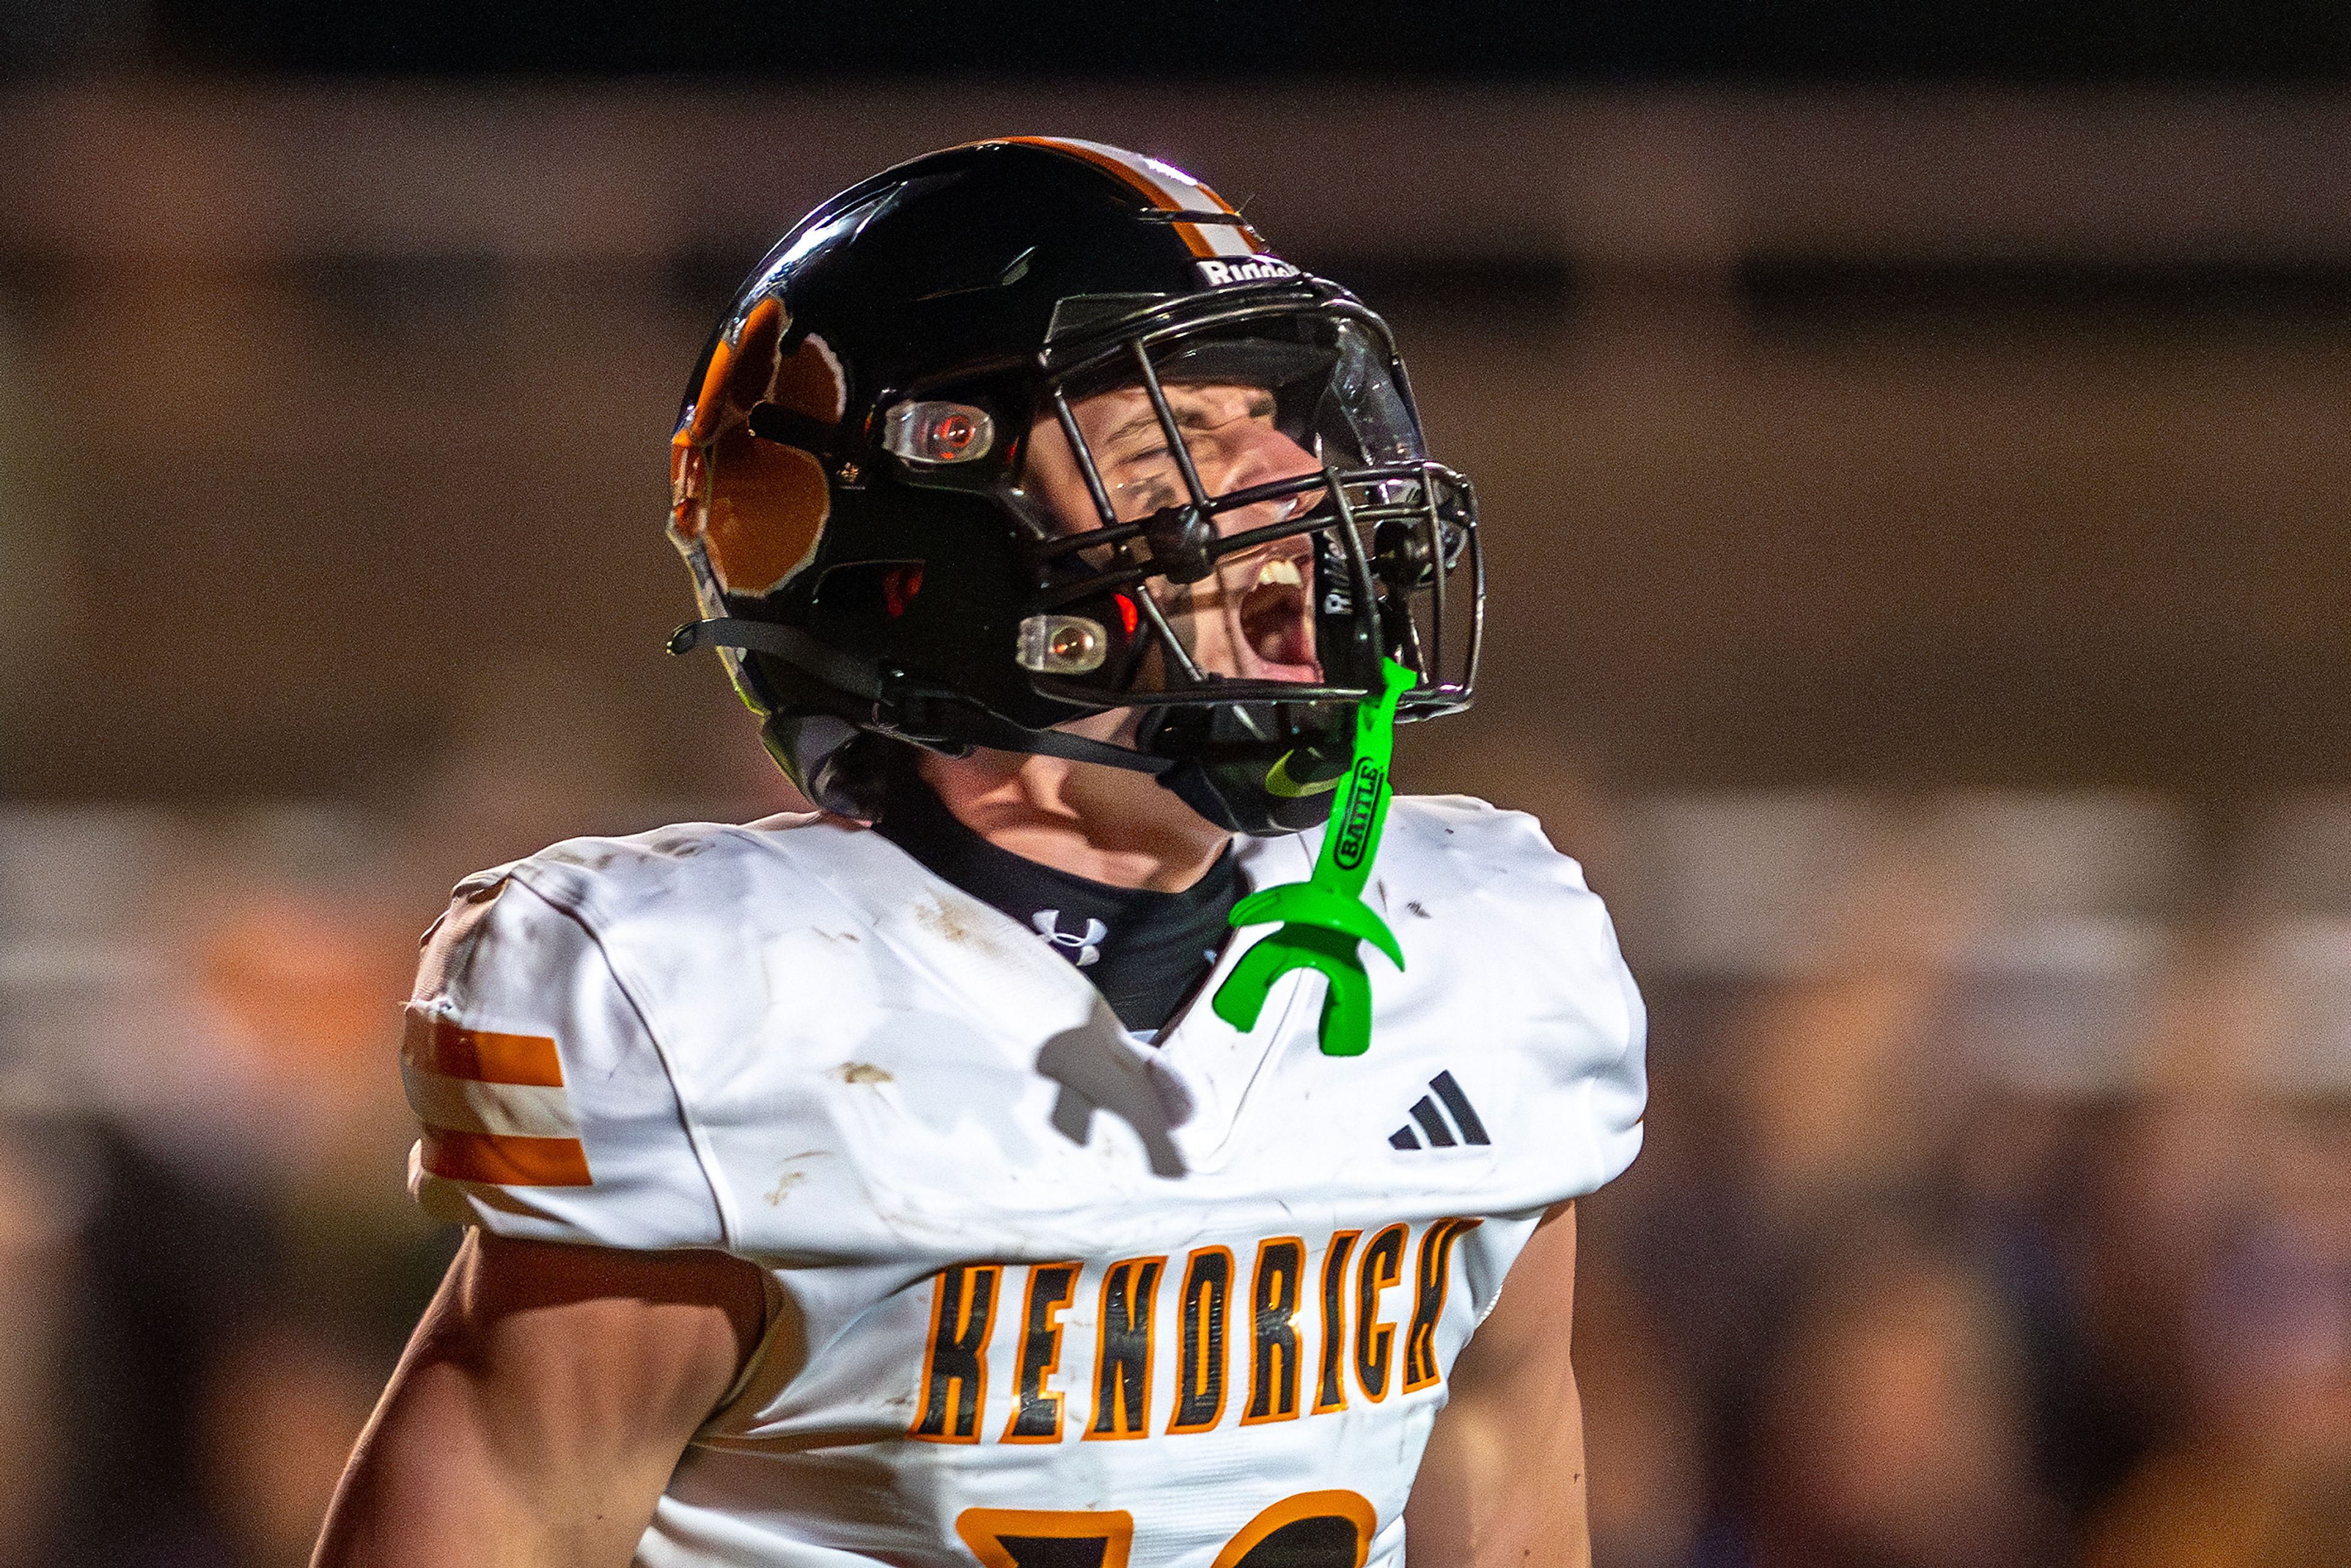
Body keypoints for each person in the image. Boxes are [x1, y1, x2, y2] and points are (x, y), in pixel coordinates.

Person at [314, 137, 1648, 1568]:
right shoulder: (721, 1010)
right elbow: (506, 1520)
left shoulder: (1483, 954)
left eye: (1278, 419)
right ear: (937, 543)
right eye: (1175, 440)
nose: (1293, 477)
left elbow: (1506, 1506)